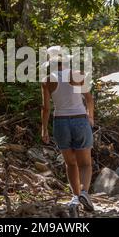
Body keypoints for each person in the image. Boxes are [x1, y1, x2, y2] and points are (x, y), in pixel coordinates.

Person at [41, 46, 95, 216]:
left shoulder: (48, 79)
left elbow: (46, 108)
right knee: (85, 164)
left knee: (70, 163)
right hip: (79, 119)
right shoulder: (76, 74)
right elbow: (88, 99)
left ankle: (74, 197)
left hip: (60, 122)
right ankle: (84, 193)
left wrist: (44, 129)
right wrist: (90, 117)